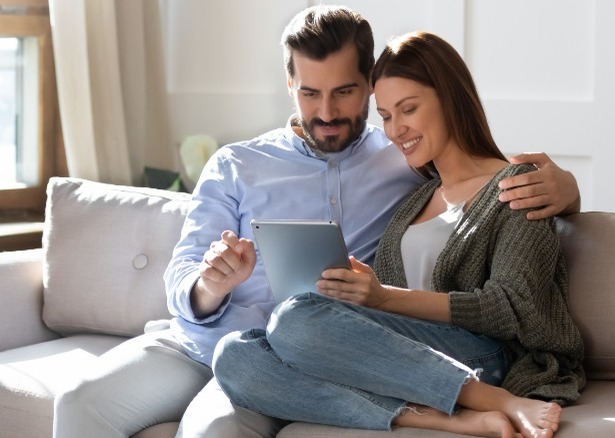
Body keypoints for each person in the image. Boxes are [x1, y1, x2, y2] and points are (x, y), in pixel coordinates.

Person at [52, 5, 581, 438]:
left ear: (367, 85)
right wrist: (209, 285)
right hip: (206, 343)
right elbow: (184, 273)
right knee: (79, 401)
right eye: (310, 93)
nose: (326, 111)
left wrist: (568, 192)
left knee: (217, 424)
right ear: (290, 86)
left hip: (318, 347)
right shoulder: (238, 165)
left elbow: (486, 193)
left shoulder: (400, 159)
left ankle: (472, 404)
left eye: (345, 93)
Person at [212, 29, 585, 438]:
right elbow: (392, 310)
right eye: (386, 116)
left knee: (294, 320)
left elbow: (509, 308)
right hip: (406, 355)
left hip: (486, 353)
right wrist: (364, 294)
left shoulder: (517, 185)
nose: (394, 131)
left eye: (408, 109)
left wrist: (385, 297)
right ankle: (439, 416)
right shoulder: (417, 196)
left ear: (450, 98)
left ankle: (498, 400)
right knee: (235, 356)